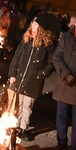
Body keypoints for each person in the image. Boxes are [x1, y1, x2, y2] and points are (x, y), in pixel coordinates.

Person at [8, 13, 55, 140]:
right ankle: (14, 127)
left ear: (41, 27)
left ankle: (23, 129)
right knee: (18, 105)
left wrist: (41, 74)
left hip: (34, 80)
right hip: (20, 77)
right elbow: (16, 57)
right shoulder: (26, 39)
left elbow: (51, 62)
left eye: (35, 23)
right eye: (32, 23)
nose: (32, 25)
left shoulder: (47, 44)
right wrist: (12, 74)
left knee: (27, 106)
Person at [52, 14, 76, 150]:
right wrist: (66, 74)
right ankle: (61, 143)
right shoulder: (66, 37)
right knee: (61, 118)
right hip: (65, 84)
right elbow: (57, 56)